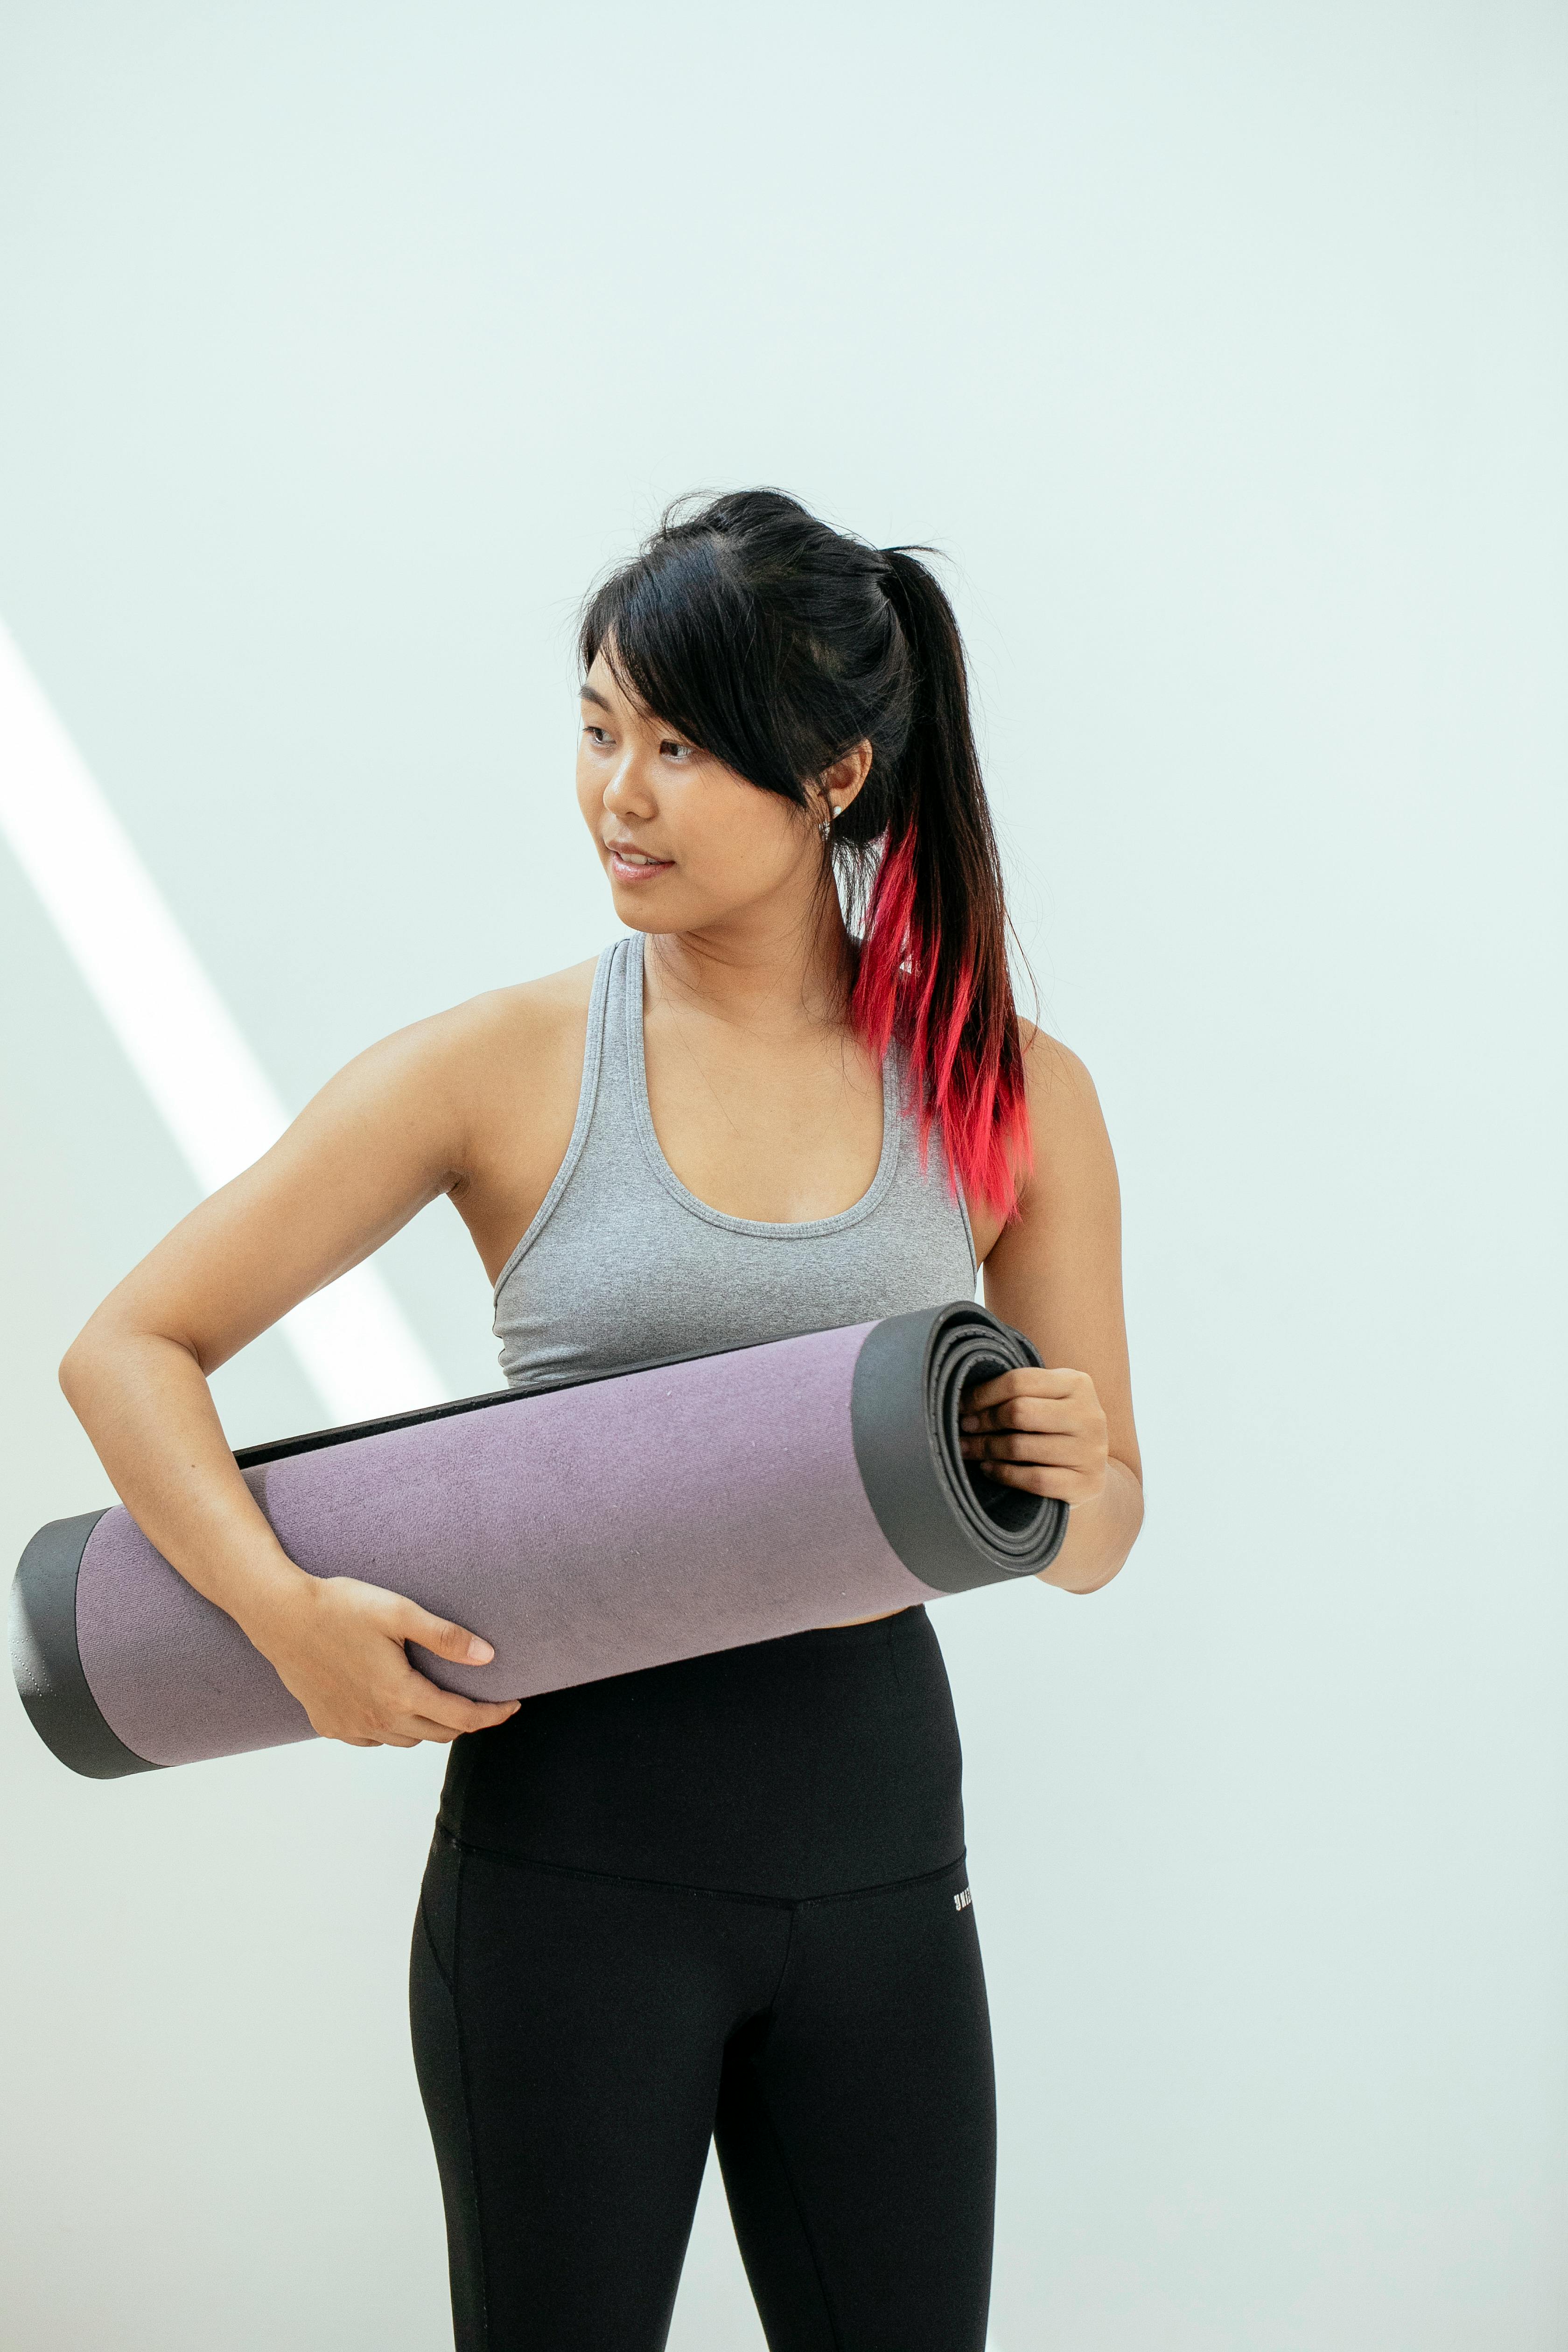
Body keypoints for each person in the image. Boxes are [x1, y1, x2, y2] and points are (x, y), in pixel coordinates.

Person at [58, 488, 1144, 2350]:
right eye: (597, 728)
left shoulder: (1003, 1089)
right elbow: (130, 1346)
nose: (617, 794)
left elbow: (1106, 1531)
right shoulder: (505, 1066)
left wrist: (1069, 1477)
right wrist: (281, 1614)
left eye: (680, 746)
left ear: (835, 775)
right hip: (572, 1880)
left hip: (883, 1866)